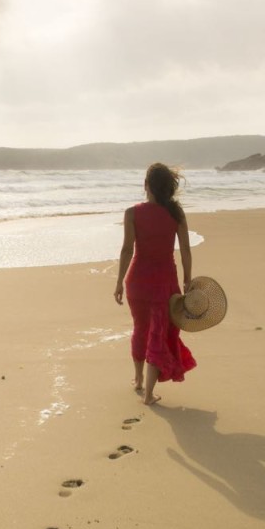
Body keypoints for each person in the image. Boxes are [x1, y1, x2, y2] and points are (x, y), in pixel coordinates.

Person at [113, 163, 196, 405]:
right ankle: (148, 394)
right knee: (158, 333)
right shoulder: (176, 214)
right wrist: (188, 278)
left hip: (137, 281)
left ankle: (138, 379)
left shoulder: (132, 213)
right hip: (165, 283)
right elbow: (186, 251)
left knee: (140, 329)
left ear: (146, 185)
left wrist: (119, 281)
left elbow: (127, 249)